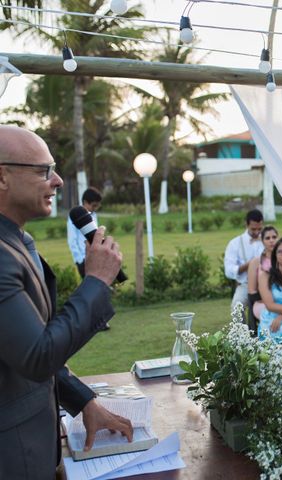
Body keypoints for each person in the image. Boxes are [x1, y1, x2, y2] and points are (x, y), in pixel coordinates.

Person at [0, 125, 133, 479]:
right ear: (2, 177)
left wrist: (82, 400)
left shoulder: (18, 241)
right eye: (44, 170)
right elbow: (37, 355)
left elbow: (21, 342)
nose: (58, 181)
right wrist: (96, 281)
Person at [224, 209, 264, 316]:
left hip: (268, 283)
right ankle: (241, 332)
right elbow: (228, 270)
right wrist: (249, 265)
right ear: (246, 224)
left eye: (260, 229)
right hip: (245, 284)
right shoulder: (235, 243)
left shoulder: (267, 239)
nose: (257, 232)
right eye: (253, 229)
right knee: (236, 306)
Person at [247, 225, 278, 331]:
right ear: (262, 240)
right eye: (268, 238)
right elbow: (252, 291)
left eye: (274, 237)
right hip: (262, 301)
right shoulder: (256, 262)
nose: (271, 241)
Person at [68, 187, 102, 278]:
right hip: (83, 259)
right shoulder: (75, 216)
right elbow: (72, 240)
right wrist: (79, 260)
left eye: (97, 206)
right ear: (85, 202)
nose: (95, 208)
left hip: (95, 256)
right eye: (94, 205)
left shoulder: (94, 215)